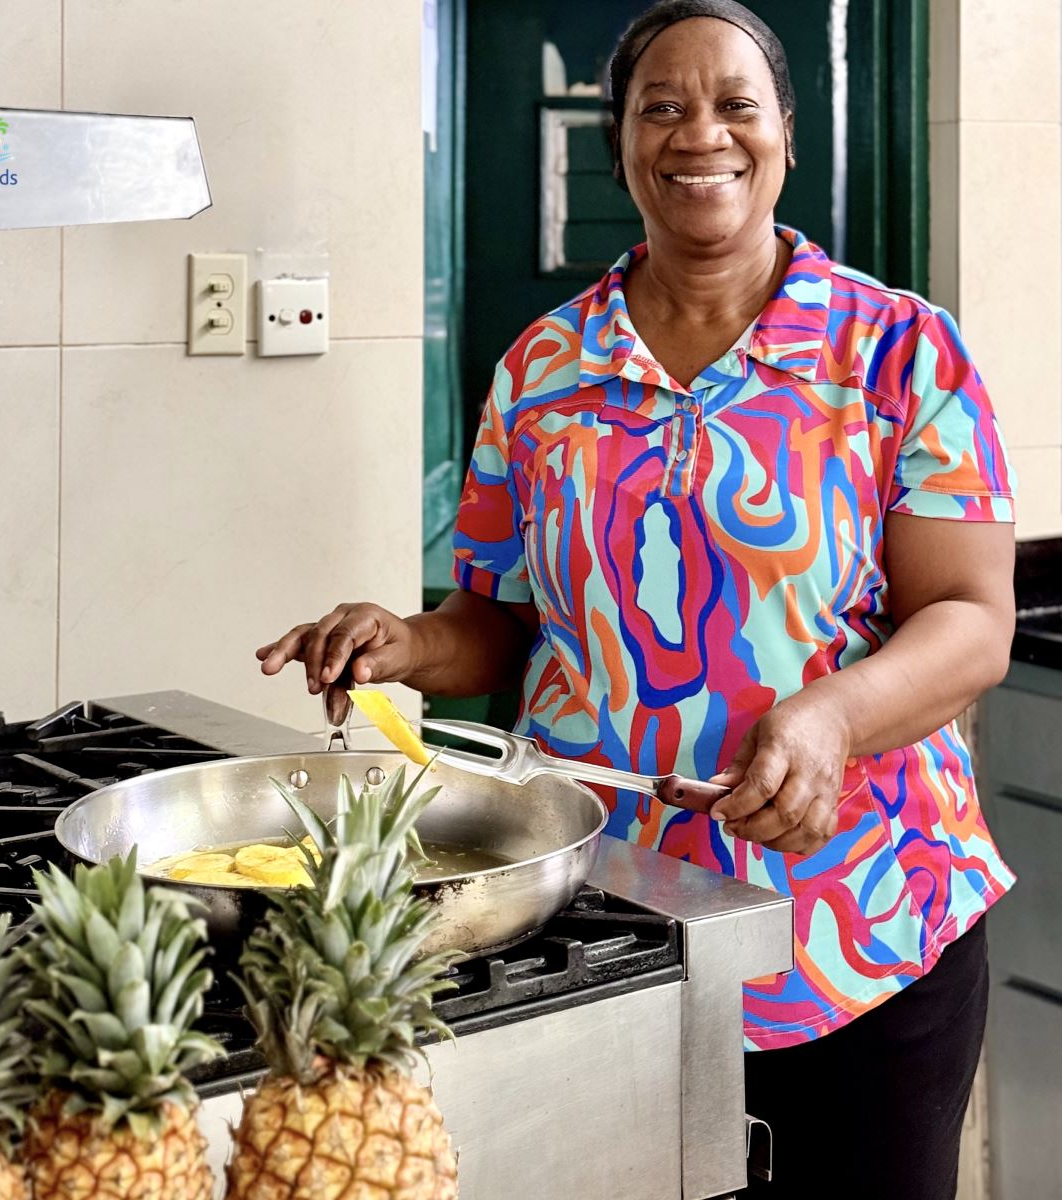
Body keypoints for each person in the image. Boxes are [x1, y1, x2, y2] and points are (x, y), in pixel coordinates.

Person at [256, 2, 1017, 1196]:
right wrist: (405, 641)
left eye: (733, 104)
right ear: (618, 145)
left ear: (783, 138)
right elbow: (500, 623)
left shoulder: (899, 351)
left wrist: (826, 721)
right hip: (607, 926)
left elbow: (972, 620)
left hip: (864, 924)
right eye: (660, 107)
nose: (697, 133)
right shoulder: (544, 369)